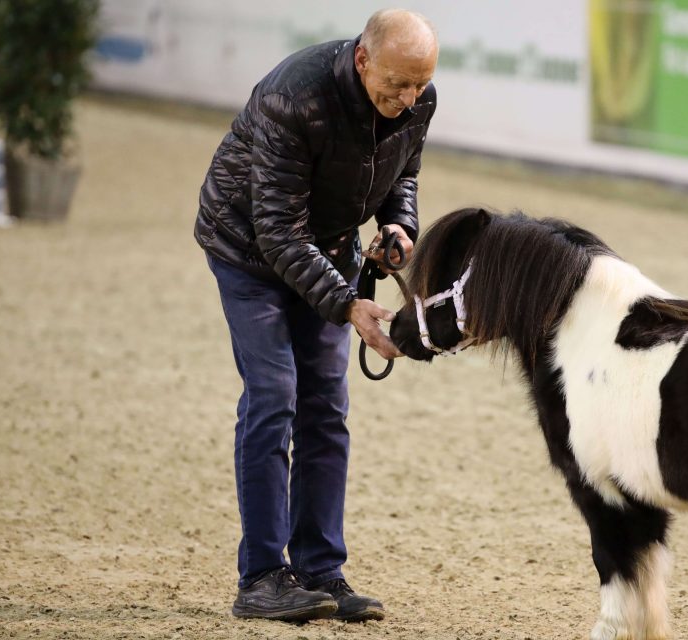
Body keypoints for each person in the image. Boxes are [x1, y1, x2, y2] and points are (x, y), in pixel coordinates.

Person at [194, 9, 437, 623]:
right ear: (362, 59)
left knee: (326, 403)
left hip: (327, 247)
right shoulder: (291, 96)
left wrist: (398, 226)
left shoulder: (416, 99)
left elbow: (401, 173)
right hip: (248, 249)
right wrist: (348, 302)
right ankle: (261, 578)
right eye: (398, 85)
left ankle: (321, 570)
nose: (409, 99)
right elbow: (276, 232)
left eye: (420, 85)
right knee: (275, 393)